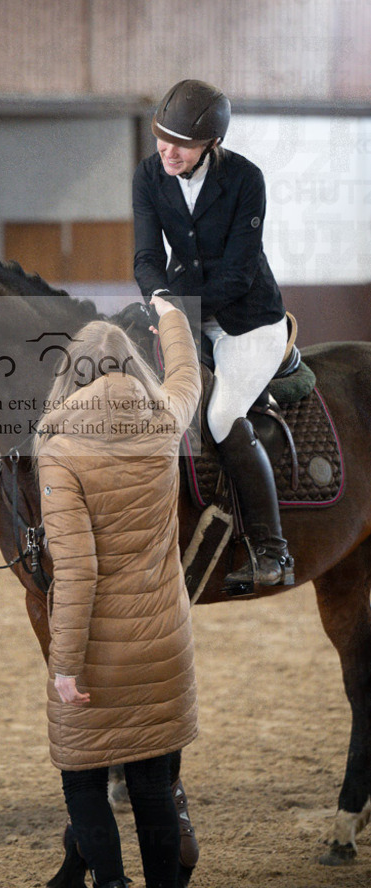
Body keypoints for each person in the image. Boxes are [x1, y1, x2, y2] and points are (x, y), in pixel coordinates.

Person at [35, 299, 201, 888]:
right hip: (163, 645)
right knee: (153, 786)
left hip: (101, 655)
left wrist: (64, 666)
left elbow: (77, 574)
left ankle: (108, 883)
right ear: (131, 365)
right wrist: (171, 317)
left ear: (72, 371)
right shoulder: (165, 417)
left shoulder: (57, 446)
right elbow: (187, 377)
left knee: (83, 784)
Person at [133, 78, 294, 589]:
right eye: (162, 137)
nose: (167, 150)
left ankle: (272, 549)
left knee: (222, 414)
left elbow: (239, 273)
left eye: (181, 144)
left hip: (249, 317)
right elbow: (146, 256)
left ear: (212, 145)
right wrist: (159, 300)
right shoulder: (149, 174)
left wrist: (178, 308)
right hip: (183, 307)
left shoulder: (247, 179)